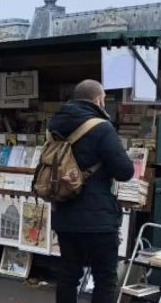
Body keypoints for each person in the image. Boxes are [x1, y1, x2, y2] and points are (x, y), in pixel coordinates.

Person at [49, 80, 134, 303]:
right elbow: (125, 171)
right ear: (98, 99)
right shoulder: (102, 127)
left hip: (64, 213)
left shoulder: (55, 125)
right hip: (98, 218)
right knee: (105, 278)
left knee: (68, 275)